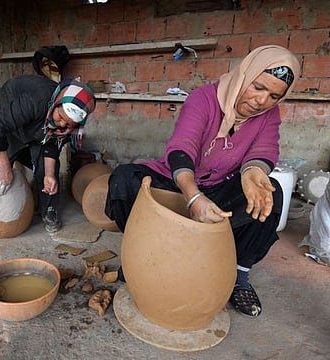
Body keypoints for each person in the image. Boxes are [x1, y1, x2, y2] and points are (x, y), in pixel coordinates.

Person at [105, 45, 300, 318]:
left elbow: (264, 152)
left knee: (270, 194)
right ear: (245, 75)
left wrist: (253, 173)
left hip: (220, 186)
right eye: (258, 87)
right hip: (177, 180)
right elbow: (183, 146)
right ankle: (144, 253)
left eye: (273, 96)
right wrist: (193, 196)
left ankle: (238, 275)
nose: (262, 101)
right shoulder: (204, 98)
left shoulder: (269, 115)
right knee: (123, 180)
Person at [0, 75, 96, 233]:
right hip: (12, 109)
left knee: (48, 168)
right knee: (0, 166)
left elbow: (51, 146)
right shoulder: (35, 100)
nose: (63, 124)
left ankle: (49, 209)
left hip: (41, 124)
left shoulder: (64, 124)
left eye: (70, 124)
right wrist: (4, 168)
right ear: (57, 104)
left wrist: (49, 175)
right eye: (61, 117)